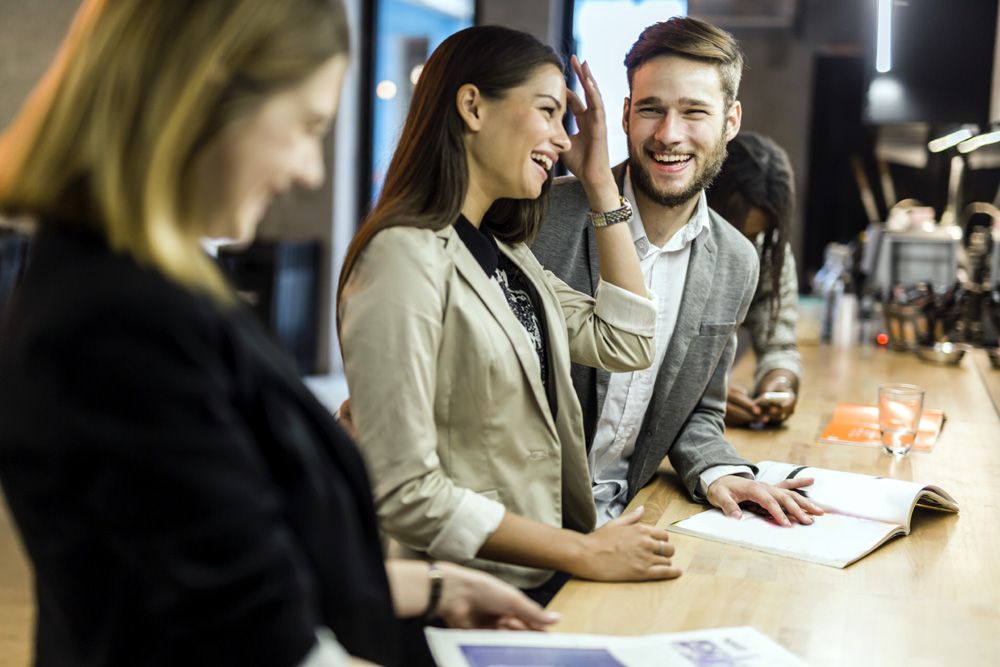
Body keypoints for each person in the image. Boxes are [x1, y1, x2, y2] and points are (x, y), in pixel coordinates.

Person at [0, 2, 557, 666]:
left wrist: (434, 585)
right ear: (202, 100)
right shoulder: (119, 323)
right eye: (306, 126)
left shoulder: (151, 279)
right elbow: (248, 629)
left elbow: (239, 555)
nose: (310, 172)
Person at [337, 25, 679, 603]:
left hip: (537, 576)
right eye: (548, 110)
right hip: (462, 594)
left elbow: (626, 341)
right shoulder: (403, 255)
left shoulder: (505, 255)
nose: (561, 137)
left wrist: (599, 182)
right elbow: (407, 492)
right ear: (471, 106)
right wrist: (583, 550)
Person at [531, 17, 822, 527]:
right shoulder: (540, 217)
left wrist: (718, 470)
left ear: (730, 121)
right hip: (529, 521)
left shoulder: (736, 260)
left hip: (632, 516)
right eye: (651, 110)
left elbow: (699, 409)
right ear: (624, 115)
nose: (669, 135)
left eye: (694, 112)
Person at [705, 132, 802, 427]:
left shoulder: (768, 253)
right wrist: (704, 398)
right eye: (733, 232)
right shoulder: (671, 246)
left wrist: (781, 383)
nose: (744, 248)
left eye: (754, 235)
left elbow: (778, 348)